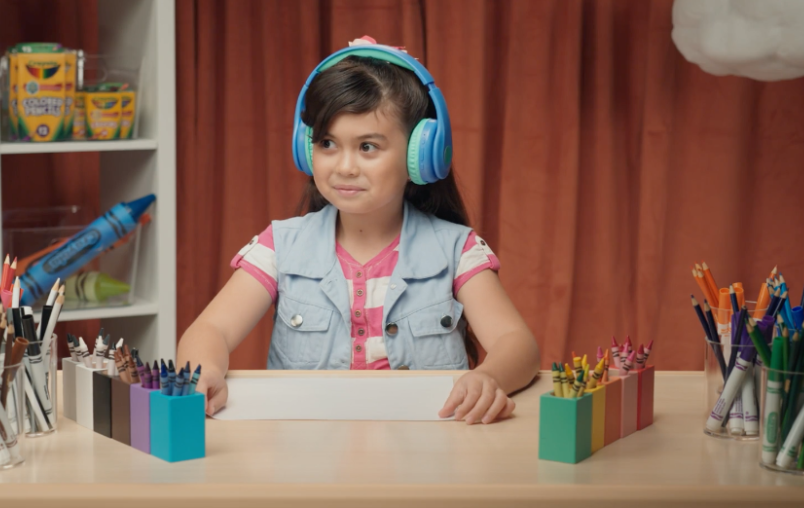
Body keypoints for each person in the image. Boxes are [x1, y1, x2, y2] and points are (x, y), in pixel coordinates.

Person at [178, 36, 541, 424]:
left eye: (368, 147)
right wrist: (207, 370)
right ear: (306, 148)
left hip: (426, 453)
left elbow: (517, 344)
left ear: (421, 155)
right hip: (308, 456)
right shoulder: (280, 247)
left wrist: (488, 377)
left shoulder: (455, 250)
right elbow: (209, 329)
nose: (345, 166)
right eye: (328, 143)